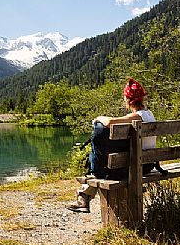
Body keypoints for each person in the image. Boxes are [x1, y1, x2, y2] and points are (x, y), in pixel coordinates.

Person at [66, 78, 157, 213]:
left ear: (127, 99)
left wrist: (98, 118)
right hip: (147, 164)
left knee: (100, 159)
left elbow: (109, 122)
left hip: (137, 168)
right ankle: (84, 196)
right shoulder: (149, 115)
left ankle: (84, 197)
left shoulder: (137, 117)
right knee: (105, 156)